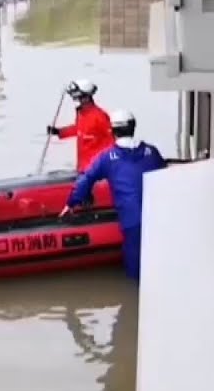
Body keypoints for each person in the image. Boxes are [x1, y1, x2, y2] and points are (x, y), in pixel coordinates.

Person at [62, 111, 167, 281]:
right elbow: (165, 177)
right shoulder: (152, 152)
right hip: (156, 217)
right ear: (133, 127)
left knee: (135, 266)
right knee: (157, 259)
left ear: (113, 131)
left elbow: (85, 179)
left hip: (131, 219)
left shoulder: (107, 157)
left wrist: (71, 203)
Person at [47, 79, 114, 173]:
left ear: (87, 97)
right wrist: (59, 132)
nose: (80, 101)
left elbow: (112, 139)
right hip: (83, 167)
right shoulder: (82, 114)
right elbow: (79, 129)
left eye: (81, 98)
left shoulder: (99, 116)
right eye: (78, 99)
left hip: (98, 168)